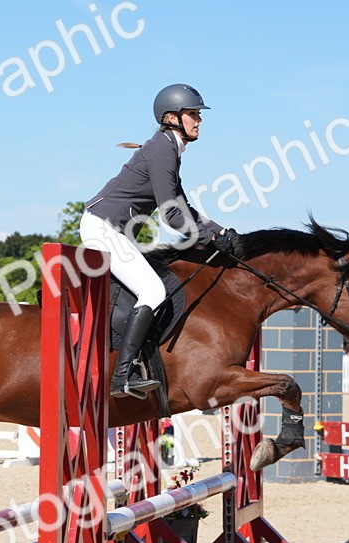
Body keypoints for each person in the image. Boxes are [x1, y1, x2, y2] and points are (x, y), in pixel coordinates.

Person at [80, 83, 238, 398]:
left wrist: (219, 231)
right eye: (193, 114)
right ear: (172, 117)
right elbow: (171, 217)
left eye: (197, 114)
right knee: (153, 289)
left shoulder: (167, 147)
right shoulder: (163, 148)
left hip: (110, 229)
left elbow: (183, 208)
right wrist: (210, 235)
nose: (199, 120)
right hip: (103, 228)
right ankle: (123, 376)